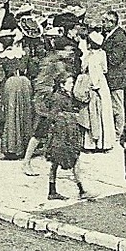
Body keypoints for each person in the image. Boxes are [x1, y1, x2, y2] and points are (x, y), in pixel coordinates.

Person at [24, 37, 76, 176]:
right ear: (60, 51)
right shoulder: (53, 63)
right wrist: (51, 95)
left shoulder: (58, 62)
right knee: (40, 132)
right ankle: (26, 162)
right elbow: (40, 84)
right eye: (68, 50)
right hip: (45, 103)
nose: (70, 53)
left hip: (51, 102)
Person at [44, 73, 92, 201]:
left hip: (62, 134)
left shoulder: (63, 96)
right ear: (62, 85)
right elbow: (54, 116)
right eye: (70, 83)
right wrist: (71, 116)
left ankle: (52, 190)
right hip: (63, 134)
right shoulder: (59, 98)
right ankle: (81, 190)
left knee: (55, 163)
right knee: (74, 160)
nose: (72, 85)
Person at [0, 31, 35, 160]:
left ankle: (12, 148)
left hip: (11, 84)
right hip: (25, 83)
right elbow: (32, 71)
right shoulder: (24, 54)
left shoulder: (2, 57)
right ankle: (25, 146)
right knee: (25, 113)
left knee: (11, 114)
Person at [79, 27, 115, 152]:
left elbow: (87, 69)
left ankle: (98, 143)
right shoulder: (98, 54)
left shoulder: (94, 55)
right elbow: (103, 69)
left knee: (97, 112)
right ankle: (96, 144)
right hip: (98, 83)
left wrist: (96, 83)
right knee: (95, 113)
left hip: (96, 84)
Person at [103, 9, 126, 125]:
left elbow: (115, 59)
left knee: (117, 107)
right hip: (112, 78)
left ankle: (118, 134)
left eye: (104, 22)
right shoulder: (111, 35)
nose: (103, 24)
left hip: (116, 78)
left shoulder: (119, 36)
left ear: (111, 22)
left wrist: (101, 54)